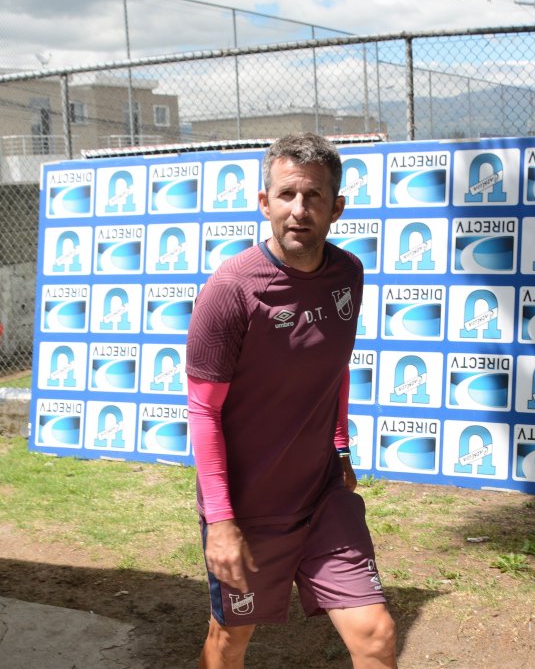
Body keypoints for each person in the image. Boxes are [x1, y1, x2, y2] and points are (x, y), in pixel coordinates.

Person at [185, 132, 397, 669]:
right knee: (230, 642)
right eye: (286, 195)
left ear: (337, 207)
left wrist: (341, 449)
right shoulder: (230, 289)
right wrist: (222, 522)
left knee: (375, 633)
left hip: (323, 494)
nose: (299, 210)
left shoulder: (349, 274)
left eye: (314, 197)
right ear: (264, 203)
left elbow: (334, 367)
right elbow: (204, 413)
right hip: (248, 510)